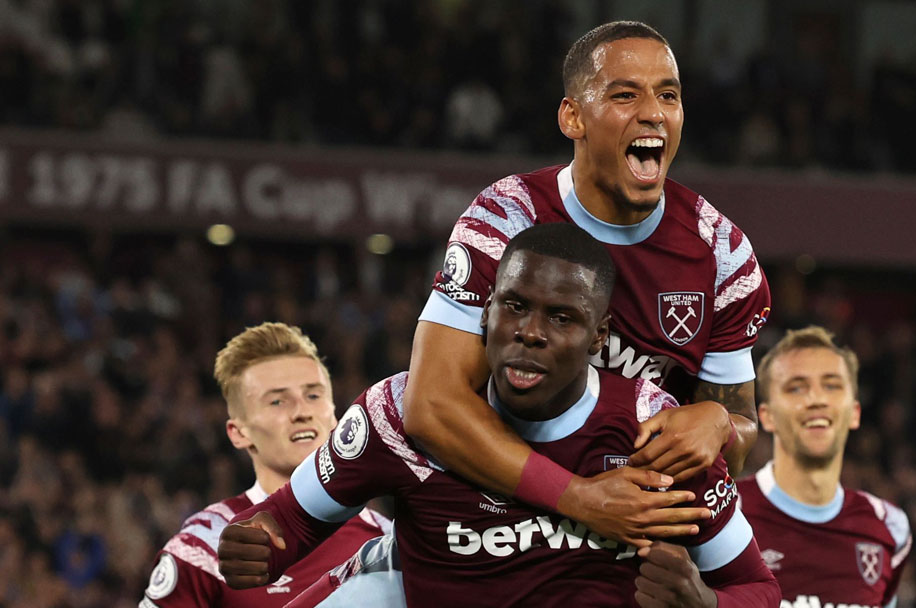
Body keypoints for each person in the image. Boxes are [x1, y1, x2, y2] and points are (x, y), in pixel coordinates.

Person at [218, 224, 780, 607]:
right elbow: (287, 521)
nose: (529, 332)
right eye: (514, 306)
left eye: (561, 318)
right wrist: (259, 544)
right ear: (485, 313)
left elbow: (758, 589)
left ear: (598, 336)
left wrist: (705, 603)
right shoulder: (397, 415)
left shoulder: (655, 437)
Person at [405, 20, 772, 548]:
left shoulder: (722, 254)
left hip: (624, 541)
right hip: (485, 522)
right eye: (626, 94)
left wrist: (719, 423)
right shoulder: (507, 217)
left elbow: (739, 437)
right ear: (572, 116)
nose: (653, 113)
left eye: (668, 95)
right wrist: (578, 498)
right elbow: (430, 405)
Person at [141, 323, 390, 607]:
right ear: (239, 432)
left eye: (313, 395)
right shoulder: (201, 548)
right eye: (277, 401)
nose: (301, 411)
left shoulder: (384, 541)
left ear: (335, 417)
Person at [736, 326, 912, 608]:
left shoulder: (890, 527)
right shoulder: (726, 512)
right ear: (766, 417)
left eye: (831, 385)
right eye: (796, 387)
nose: (816, 399)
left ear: (855, 413)